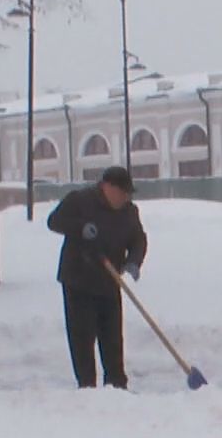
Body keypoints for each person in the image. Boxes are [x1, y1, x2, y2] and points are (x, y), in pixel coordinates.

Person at [47, 165, 147, 389]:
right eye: (122, 193)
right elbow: (54, 221)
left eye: (128, 194)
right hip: (79, 281)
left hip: (110, 282)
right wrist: (80, 227)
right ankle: (87, 388)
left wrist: (133, 261)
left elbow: (138, 239)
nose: (125, 198)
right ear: (107, 187)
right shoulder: (80, 200)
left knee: (112, 339)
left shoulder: (129, 211)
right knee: (82, 339)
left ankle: (117, 385)